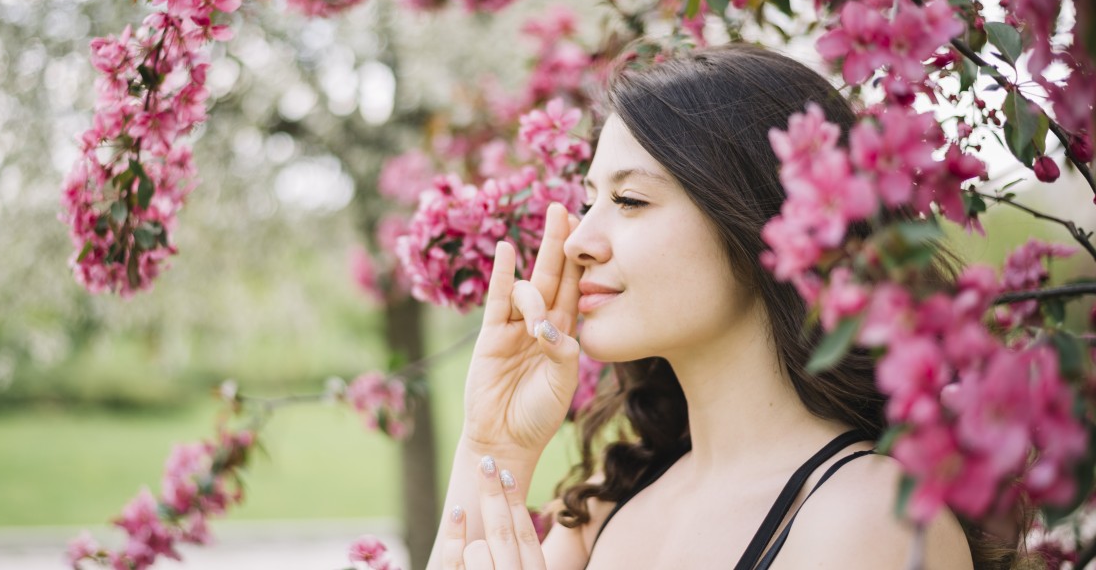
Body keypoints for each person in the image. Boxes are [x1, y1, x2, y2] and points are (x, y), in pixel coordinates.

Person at [425, 42, 1005, 569]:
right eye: (589, 200)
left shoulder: (868, 516)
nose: (578, 240)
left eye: (629, 200)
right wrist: (495, 441)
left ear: (765, 222)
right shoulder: (608, 508)